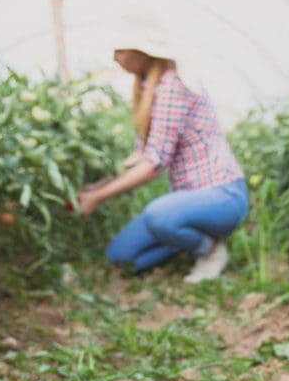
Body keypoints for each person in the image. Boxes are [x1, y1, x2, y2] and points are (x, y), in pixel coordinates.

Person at [77, 30, 248, 283]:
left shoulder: (173, 86)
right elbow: (141, 156)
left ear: (143, 51)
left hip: (222, 196)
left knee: (159, 216)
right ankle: (186, 237)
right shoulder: (147, 88)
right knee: (119, 256)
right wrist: (100, 185)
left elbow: (153, 164)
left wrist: (98, 197)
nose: (115, 58)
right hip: (185, 201)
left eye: (120, 51)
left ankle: (210, 250)